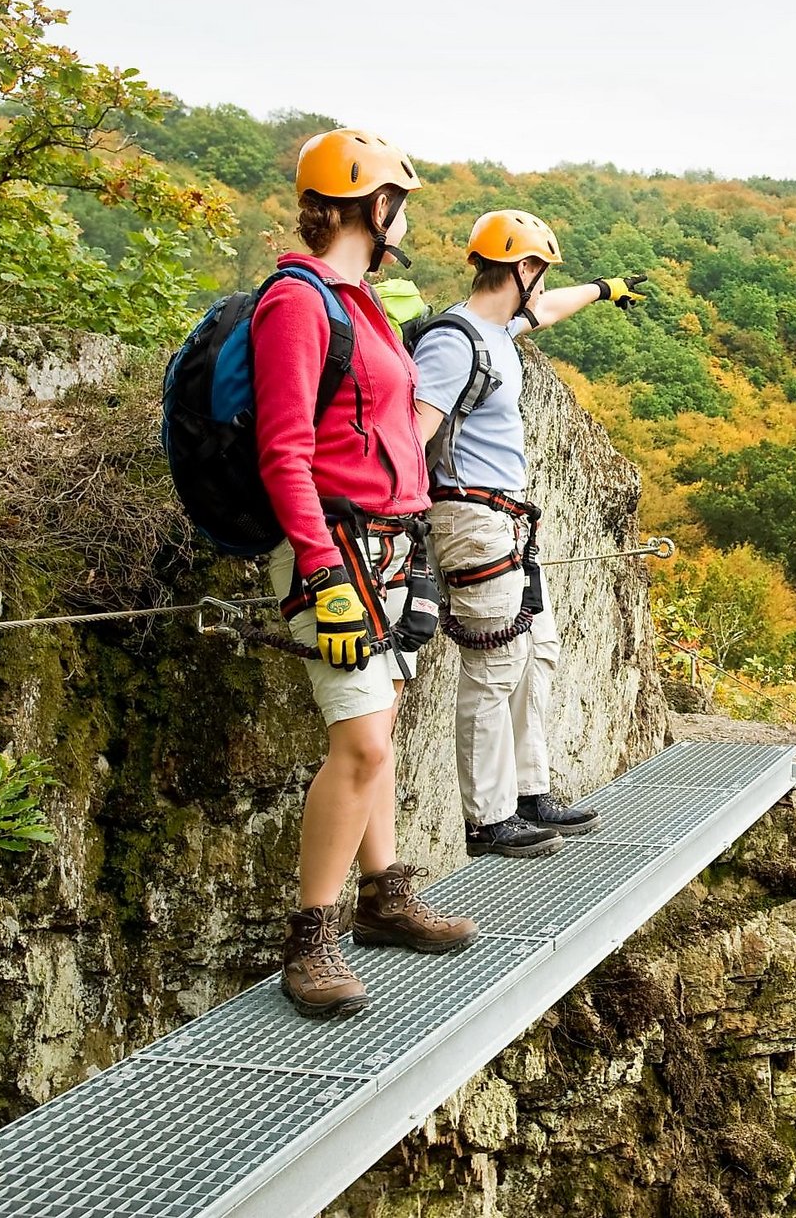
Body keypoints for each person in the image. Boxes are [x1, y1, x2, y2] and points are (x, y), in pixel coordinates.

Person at [252, 128, 478, 1019]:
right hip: (332, 550)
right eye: (399, 204)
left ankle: (385, 896)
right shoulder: (297, 305)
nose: (403, 222)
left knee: (376, 729)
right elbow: (282, 451)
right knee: (363, 744)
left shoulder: (365, 306)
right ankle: (310, 937)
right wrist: (321, 571)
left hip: (385, 546)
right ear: (372, 205)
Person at [411, 210, 647, 858]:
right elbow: (410, 434)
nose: (543, 289)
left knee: (536, 652)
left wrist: (604, 289)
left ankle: (526, 793)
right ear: (520, 269)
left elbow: (548, 313)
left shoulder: (499, 331)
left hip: (508, 521)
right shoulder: (454, 342)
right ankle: (486, 820)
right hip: (471, 519)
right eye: (540, 274)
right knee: (493, 668)